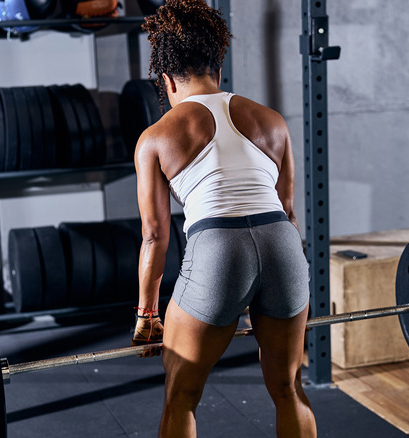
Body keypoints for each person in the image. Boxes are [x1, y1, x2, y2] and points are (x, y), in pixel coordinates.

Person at [131, 1, 316, 437]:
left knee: (182, 397)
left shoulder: (156, 137)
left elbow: (155, 236)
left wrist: (146, 314)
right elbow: (287, 212)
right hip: (283, 245)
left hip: (218, 249)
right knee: (289, 388)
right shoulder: (271, 121)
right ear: (218, 62)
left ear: (165, 77)